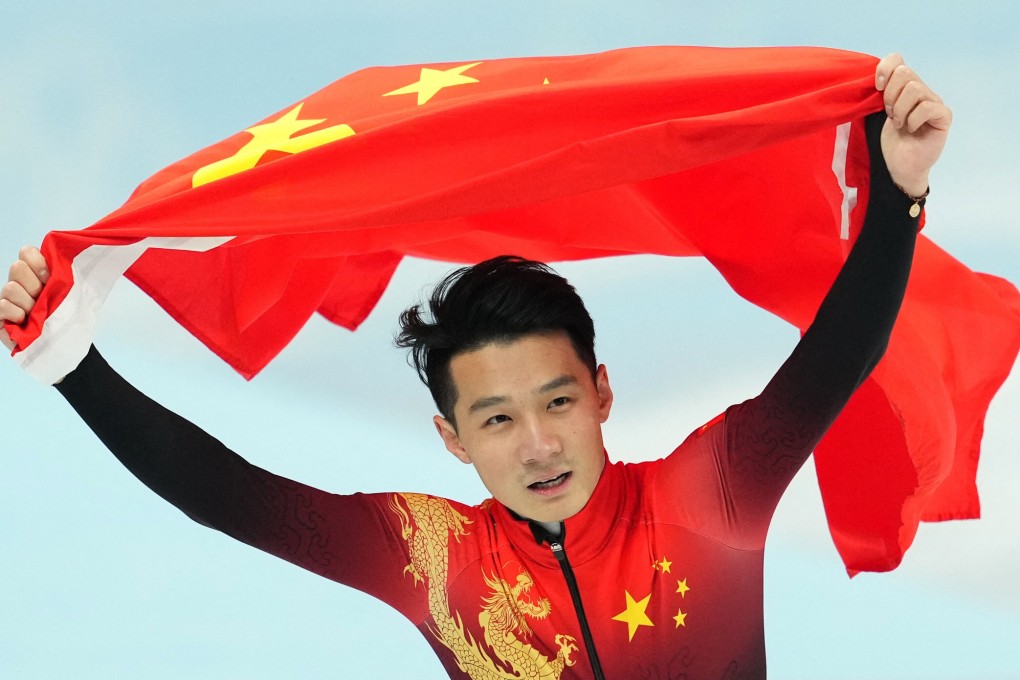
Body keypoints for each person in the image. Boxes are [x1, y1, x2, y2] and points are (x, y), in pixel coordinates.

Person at [1, 54, 950, 679]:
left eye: (557, 400)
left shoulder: (712, 493)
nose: (539, 444)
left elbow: (837, 356)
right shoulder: (430, 559)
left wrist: (899, 192)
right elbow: (233, 495)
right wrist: (71, 364)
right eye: (496, 419)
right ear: (451, 440)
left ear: (602, 392)